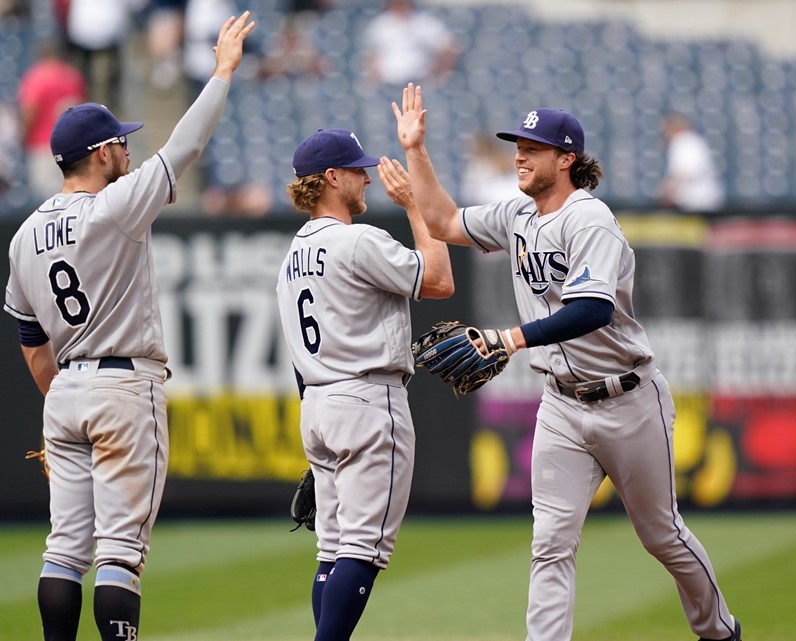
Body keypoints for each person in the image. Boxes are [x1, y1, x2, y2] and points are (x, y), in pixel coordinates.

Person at [394, 83, 742, 641]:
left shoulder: (590, 219)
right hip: (560, 403)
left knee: (661, 536)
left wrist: (507, 339)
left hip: (628, 398)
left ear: (566, 158)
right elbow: (443, 222)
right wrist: (415, 150)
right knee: (550, 543)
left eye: (532, 146)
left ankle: (720, 630)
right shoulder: (516, 214)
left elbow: (592, 310)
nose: (519, 155)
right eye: (516, 145)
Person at [3, 12, 255, 641]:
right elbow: (186, 147)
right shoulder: (115, 206)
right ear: (98, 154)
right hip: (123, 386)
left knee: (63, 549)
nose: (127, 146)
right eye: (119, 140)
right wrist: (222, 70)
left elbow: (32, 345)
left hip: (63, 394)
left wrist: (66, 398)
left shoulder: (25, 234)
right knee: (118, 554)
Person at [275, 127, 453, 641]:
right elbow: (439, 280)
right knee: (362, 550)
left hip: (318, 405)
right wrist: (416, 209)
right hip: (369, 400)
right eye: (357, 169)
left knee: (331, 551)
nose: (367, 177)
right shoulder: (358, 240)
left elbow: (294, 357)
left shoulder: (290, 259)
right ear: (331, 178)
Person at [17, 38, 87, 204]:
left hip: (43, 147)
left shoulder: (37, 76)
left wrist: (22, 137)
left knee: (47, 204)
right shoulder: (73, 76)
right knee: (71, 201)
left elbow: (30, 111)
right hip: (73, 149)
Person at [362, 0, 457, 87]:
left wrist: (436, 73)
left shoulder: (423, 22)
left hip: (419, 82)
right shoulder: (381, 24)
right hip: (388, 83)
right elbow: (372, 55)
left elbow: (448, 47)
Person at [656, 113, 725, 212]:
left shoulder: (683, 142)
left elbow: (683, 173)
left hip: (697, 203)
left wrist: (666, 194)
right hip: (705, 201)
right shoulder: (694, 140)